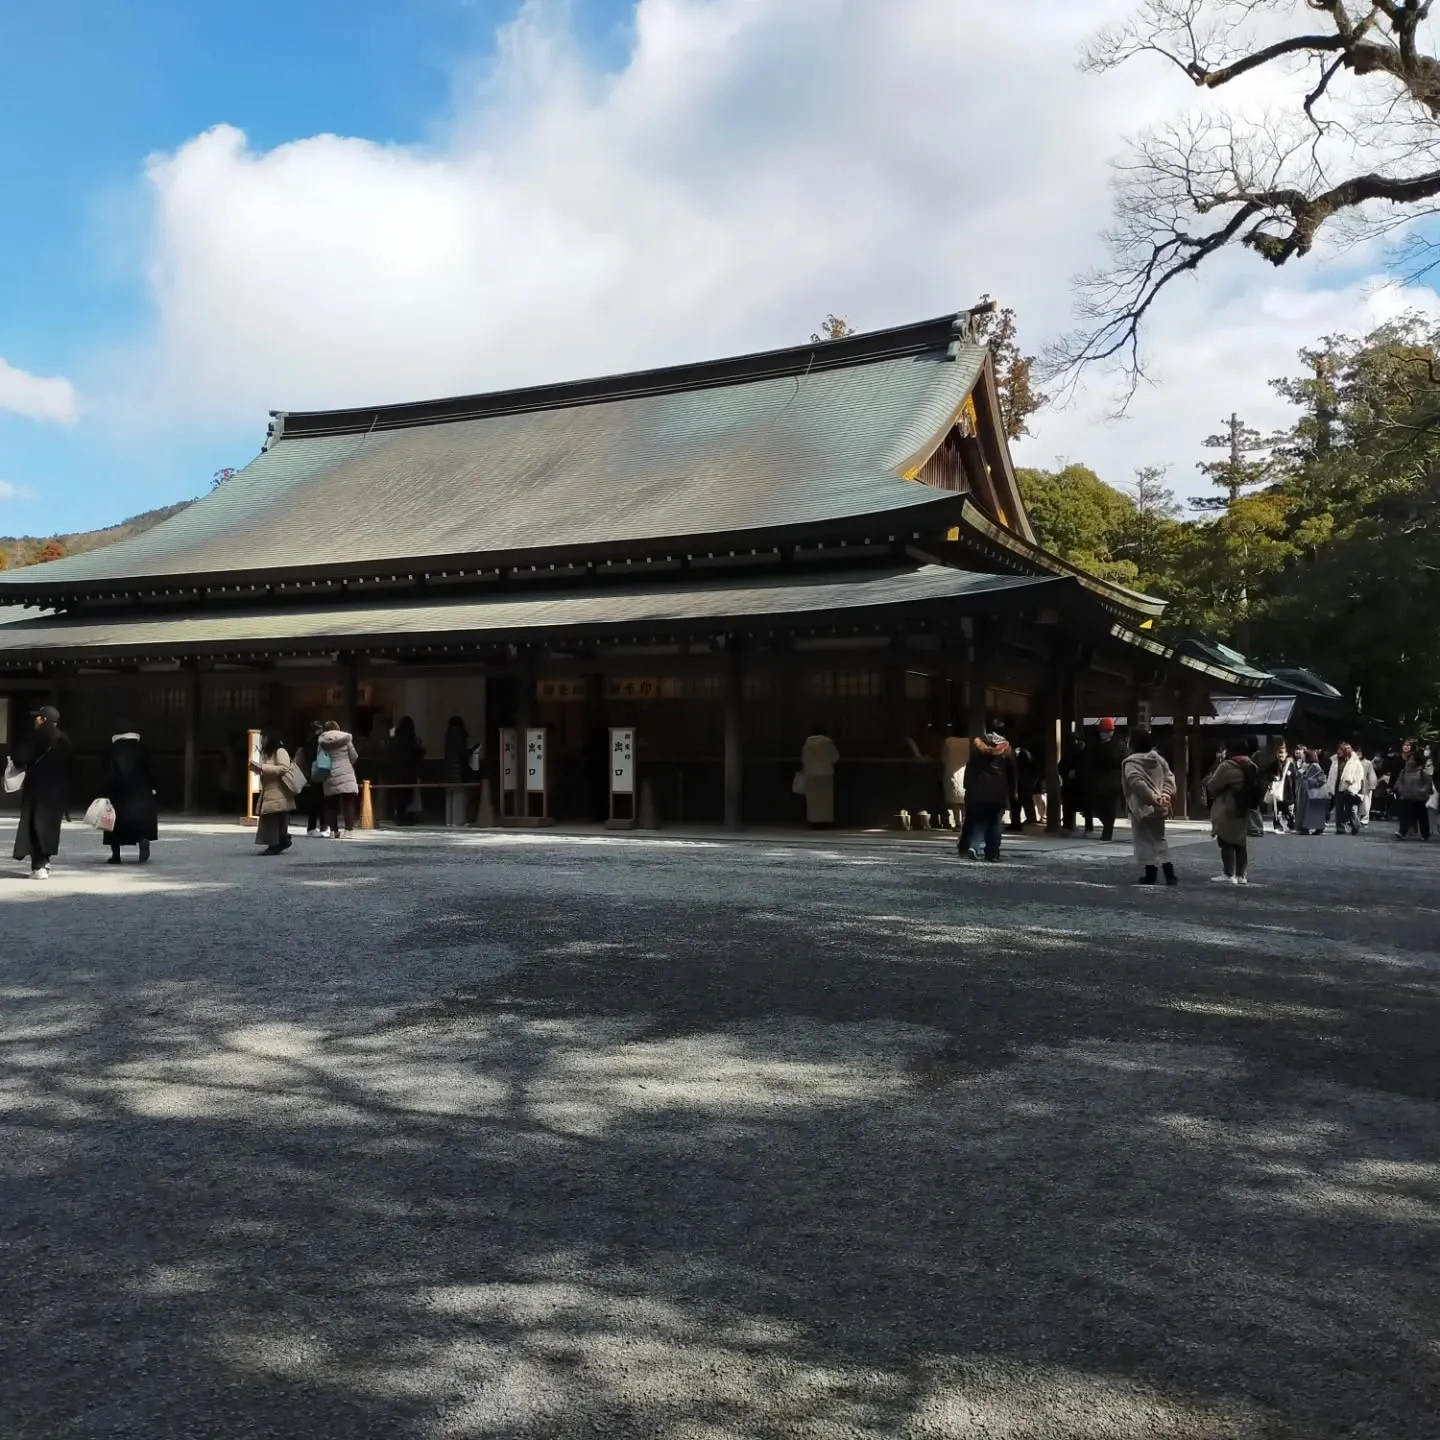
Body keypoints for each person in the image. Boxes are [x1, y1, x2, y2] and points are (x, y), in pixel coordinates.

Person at [11, 704, 70, 880]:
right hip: (57, 789)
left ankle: (38, 865)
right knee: (50, 826)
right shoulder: (64, 740)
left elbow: (20, 757)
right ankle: (46, 860)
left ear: (44, 719)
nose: (35, 719)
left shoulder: (34, 737)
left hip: (36, 788)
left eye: (38, 717)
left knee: (34, 825)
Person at [1121, 726, 1178, 885]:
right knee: (1159, 838)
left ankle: (1150, 873)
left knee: (1143, 840)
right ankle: (1169, 873)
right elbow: (1169, 779)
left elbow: (1136, 784)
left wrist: (1151, 797)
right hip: (1160, 806)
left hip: (1141, 807)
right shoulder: (1159, 760)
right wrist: (1164, 795)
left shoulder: (1131, 763)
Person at [1207, 737, 1262, 885]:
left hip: (1228, 805)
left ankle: (1228, 873)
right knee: (1240, 841)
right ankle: (1241, 875)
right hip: (1244, 807)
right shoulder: (1252, 765)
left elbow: (1212, 785)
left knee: (1226, 839)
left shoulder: (1227, 766)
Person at [958, 722, 1015, 862]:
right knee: (994, 823)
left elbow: (969, 770)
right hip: (997, 792)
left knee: (973, 820)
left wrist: (967, 787)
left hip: (976, 791)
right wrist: (1013, 792)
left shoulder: (977, 750)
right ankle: (992, 853)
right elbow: (1013, 772)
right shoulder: (1006, 751)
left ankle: (967, 847)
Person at [103, 728, 158, 864]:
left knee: (114, 824)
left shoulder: (110, 750)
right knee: (140, 822)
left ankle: (116, 855)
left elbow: (106, 773)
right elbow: (152, 771)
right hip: (141, 793)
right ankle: (142, 839)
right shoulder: (143, 749)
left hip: (117, 793)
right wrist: (154, 787)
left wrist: (103, 791)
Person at [1080, 717, 1127, 841]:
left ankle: (1107, 831)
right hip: (1097, 781)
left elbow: (1124, 762)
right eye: (1103, 731)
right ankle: (1106, 826)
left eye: (1108, 731)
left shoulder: (1119, 745)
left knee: (1110, 808)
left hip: (1113, 782)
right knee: (1097, 806)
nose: (1105, 733)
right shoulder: (1094, 745)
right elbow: (1087, 761)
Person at [250, 731, 294, 856]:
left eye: (264, 737)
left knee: (274, 816)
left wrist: (263, 768)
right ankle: (280, 840)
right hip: (270, 789)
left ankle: (276, 843)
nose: (263, 740)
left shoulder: (280, 751)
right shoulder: (268, 753)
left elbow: (284, 768)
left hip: (278, 789)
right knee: (273, 817)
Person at [316, 720, 360, 838]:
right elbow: (354, 756)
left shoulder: (322, 741)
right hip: (346, 773)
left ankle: (333, 831)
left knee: (331, 804)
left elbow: (320, 759)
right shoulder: (346, 739)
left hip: (329, 774)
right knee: (348, 802)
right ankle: (349, 831)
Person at [799, 726, 840, 828]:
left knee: (813, 800)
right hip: (825, 774)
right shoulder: (827, 743)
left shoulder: (807, 744)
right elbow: (835, 757)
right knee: (825, 800)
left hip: (811, 773)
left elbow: (803, 758)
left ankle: (813, 822)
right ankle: (825, 822)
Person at [1394, 741, 1432, 841]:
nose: (1409, 762)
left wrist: (1422, 791)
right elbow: (1399, 782)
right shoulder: (1404, 771)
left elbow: (1428, 784)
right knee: (1404, 816)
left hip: (1419, 798)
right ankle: (1402, 832)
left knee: (1422, 817)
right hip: (1406, 797)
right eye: (1409, 760)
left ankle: (1425, 834)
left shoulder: (1422, 772)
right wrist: (1400, 790)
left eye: (1411, 760)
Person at [389, 716, 424, 825]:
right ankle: (406, 817)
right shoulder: (412, 739)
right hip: (409, 772)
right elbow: (417, 753)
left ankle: (399, 816)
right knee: (407, 795)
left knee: (398, 795)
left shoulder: (396, 738)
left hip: (397, 771)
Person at [295, 721, 327, 836]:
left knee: (314, 800)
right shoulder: (320, 741)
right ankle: (323, 825)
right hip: (322, 770)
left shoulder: (307, 741)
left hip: (312, 771)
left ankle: (312, 827)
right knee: (323, 800)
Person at [1327, 742, 1365, 836]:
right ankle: (1340, 828)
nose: (1338, 752)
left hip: (1349, 787)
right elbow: (1331, 774)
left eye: (1341, 750)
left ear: (1346, 751)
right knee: (1339, 808)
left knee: (1350, 809)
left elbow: (1360, 774)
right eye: (1338, 749)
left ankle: (1355, 825)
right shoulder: (1335, 760)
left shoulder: (1354, 761)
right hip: (1337, 787)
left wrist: (1352, 781)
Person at [1290, 746, 1329, 835]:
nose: (1302, 755)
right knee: (1306, 811)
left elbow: (1322, 779)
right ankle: (1304, 828)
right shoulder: (1306, 765)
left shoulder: (1315, 766)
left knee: (1313, 811)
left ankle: (1317, 828)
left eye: (1304, 754)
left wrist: (1310, 781)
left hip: (1312, 792)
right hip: (1305, 792)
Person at [443, 716, 471, 827]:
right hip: (458, 769)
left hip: (448, 768)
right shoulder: (460, 734)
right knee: (459, 794)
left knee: (450, 794)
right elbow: (462, 752)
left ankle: (449, 820)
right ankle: (458, 820)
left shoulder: (448, 734)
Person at [939, 727, 967, 830]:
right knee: (965, 800)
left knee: (955, 800)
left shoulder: (949, 741)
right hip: (965, 770)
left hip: (952, 771)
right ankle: (965, 822)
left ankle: (958, 823)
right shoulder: (969, 741)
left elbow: (943, 757)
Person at [1357, 747, 1378, 828]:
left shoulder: (1367, 763)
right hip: (1355, 784)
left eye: (1360, 752)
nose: (1358, 753)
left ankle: (1364, 819)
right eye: (1357, 751)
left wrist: (1372, 785)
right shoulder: (1352, 762)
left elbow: (1371, 774)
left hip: (1365, 785)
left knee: (1366, 803)